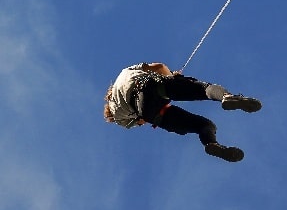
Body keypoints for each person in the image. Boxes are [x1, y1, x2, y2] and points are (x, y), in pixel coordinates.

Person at [104, 62, 261, 162]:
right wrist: (171, 76)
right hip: (151, 87)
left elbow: (141, 120)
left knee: (203, 125)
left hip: (149, 112)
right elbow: (159, 67)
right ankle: (227, 97)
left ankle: (212, 144)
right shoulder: (125, 73)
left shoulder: (119, 119)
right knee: (204, 90)